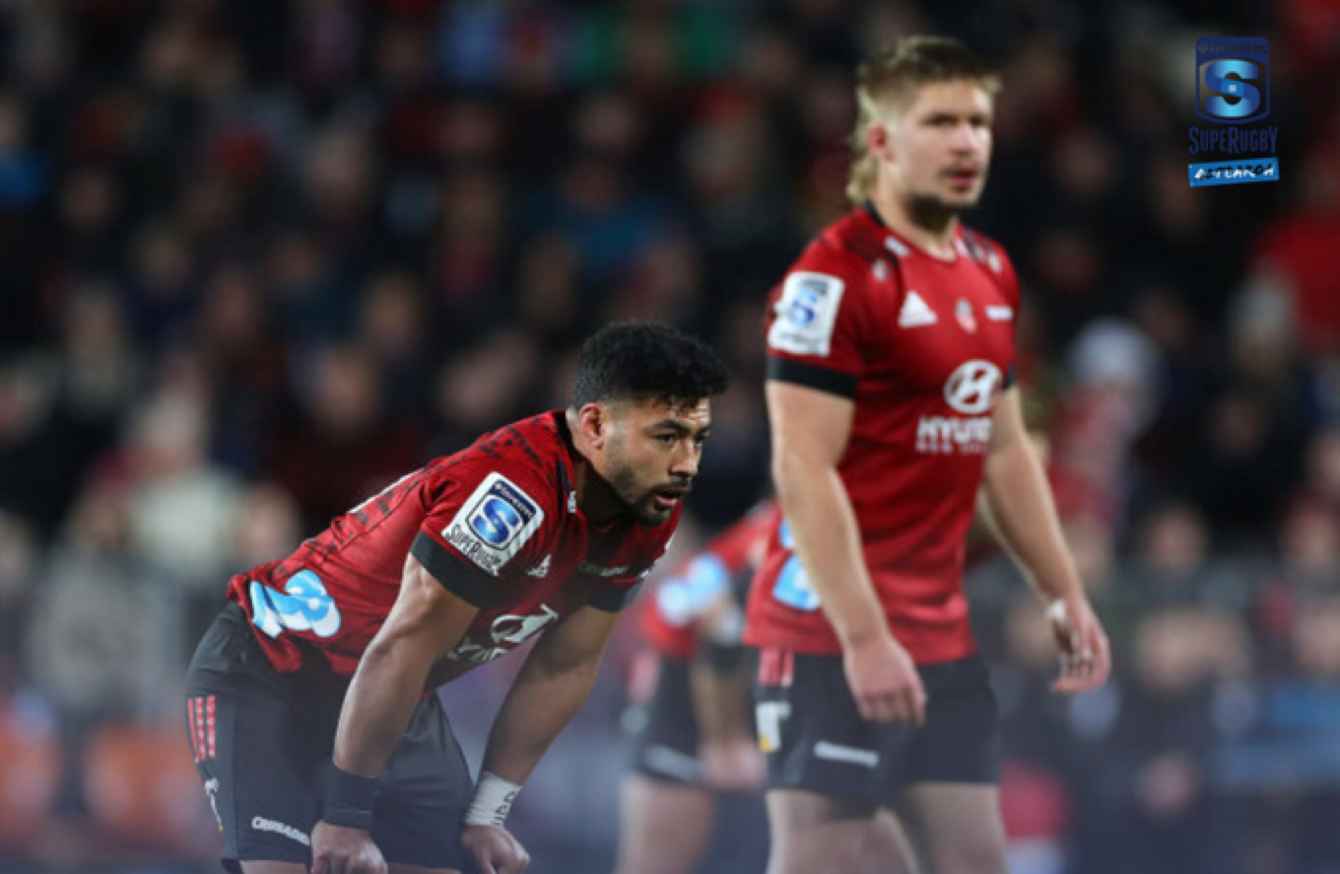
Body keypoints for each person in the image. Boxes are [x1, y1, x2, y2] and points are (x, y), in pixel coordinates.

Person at [743, 36, 1112, 874]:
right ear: (880, 141)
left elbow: (1005, 450)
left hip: (938, 635)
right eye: (940, 122)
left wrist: (1062, 591)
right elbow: (802, 467)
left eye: (978, 122)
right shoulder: (831, 279)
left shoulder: (991, 270)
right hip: (828, 631)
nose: (967, 141)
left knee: (974, 860)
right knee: (820, 860)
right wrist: (864, 636)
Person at [184, 321, 730, 874]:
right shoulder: (512, 493)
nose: (687, 464)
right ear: (593, 426)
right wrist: (347, 815)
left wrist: (488, 813)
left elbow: (565, 666)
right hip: (274, 668)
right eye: (667, 438)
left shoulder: (648, 509)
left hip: (395, 695)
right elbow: (402, 644)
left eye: (698, 439)